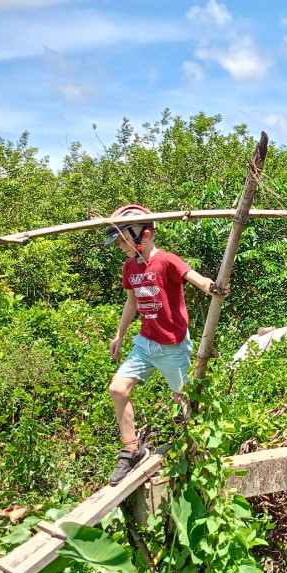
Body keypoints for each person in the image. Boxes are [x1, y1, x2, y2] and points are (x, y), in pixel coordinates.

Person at [104, 205, 224, 486]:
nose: (120, 247)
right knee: (117, 389)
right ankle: (132, 449)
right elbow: (132, 301)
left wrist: (213, 287)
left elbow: (194, 277)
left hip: (173, 346)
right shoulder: (130, 266)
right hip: (145, 343)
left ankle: (197, 453)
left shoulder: (167, 260)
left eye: (122, 240)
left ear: (144, 236)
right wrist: (120, 334)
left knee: (184, 401)